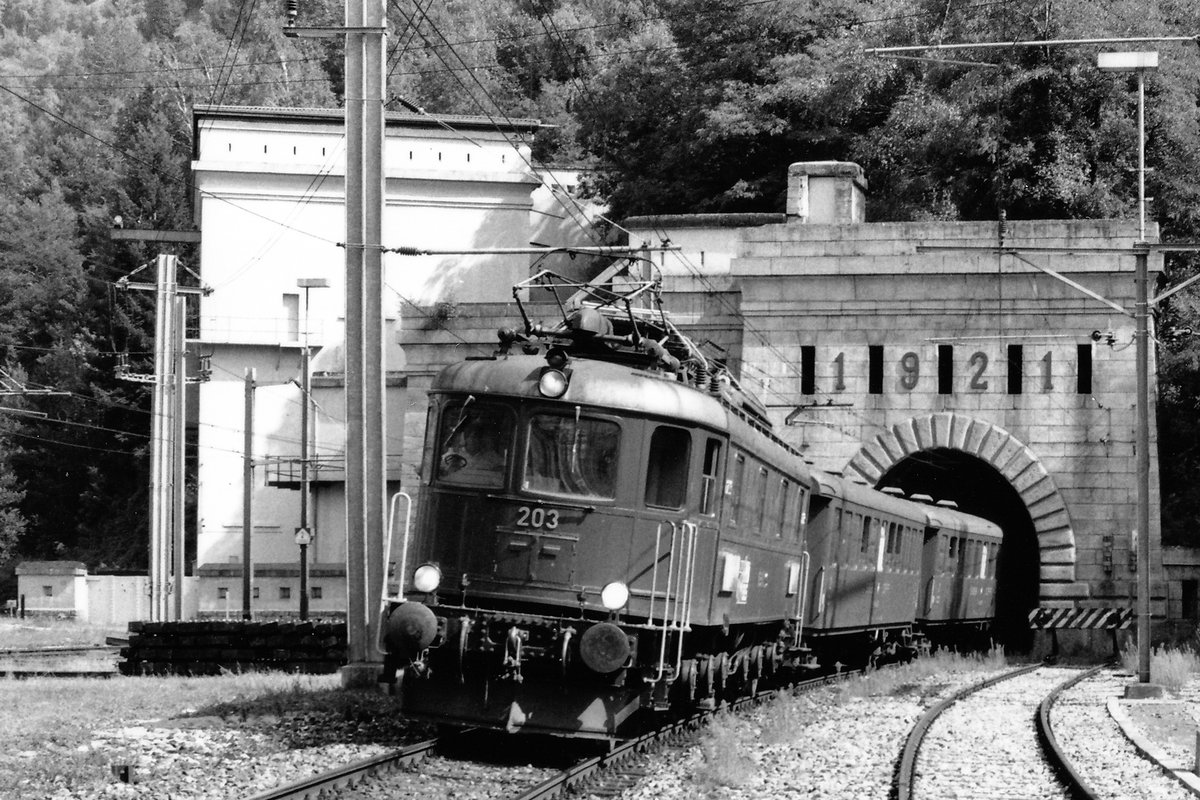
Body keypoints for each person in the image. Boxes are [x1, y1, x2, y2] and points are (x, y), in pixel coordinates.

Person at [439, 422, 506, 487]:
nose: (476, 440)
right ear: (466, 438)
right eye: (473, 437)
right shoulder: (453, 455)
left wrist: (499, 469)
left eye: (479, 437)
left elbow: (503, 469)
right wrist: (448, 469)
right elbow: (440, 470)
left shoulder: (492, 457)